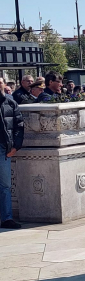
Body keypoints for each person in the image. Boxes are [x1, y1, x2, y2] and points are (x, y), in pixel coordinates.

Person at [0, 78, 24, 229]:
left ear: (4, 84)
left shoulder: (10, 103)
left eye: (0, 82)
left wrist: (16, 146)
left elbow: (19, 125)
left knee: (5, 185)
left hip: (3, 148)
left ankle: (7, 218)